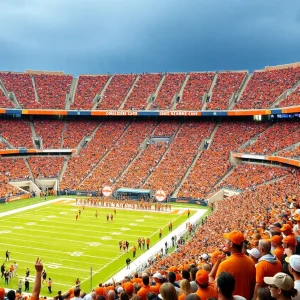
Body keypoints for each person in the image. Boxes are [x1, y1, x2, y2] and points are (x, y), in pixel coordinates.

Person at [216, 230, 256, 300]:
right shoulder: (251, 261)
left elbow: (217, 288)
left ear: (231, 244)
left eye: (227, 240)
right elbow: (253, 285)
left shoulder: (224, 265)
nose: (225, 243)